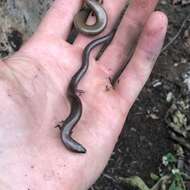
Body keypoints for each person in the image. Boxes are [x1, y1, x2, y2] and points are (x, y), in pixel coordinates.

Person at [0, 0, 167, 189]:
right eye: (79, 147)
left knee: (82, 70)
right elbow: (62, 127)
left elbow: (63, 126)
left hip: (73, 96)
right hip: (73, 97)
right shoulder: (66, 133)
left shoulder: (65, 132)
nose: (80, 148)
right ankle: (108, 35)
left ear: (71, 142)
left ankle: (108, 35)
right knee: (81, 73)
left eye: (77, 147)